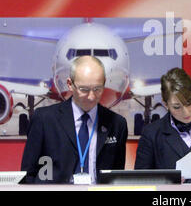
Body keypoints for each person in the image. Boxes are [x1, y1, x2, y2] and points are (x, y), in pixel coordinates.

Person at [21, 56, 128, 184]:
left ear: (104, 83)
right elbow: (28, 175)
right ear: (70, 84)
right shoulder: (44, 120)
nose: (91, 96)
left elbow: (116, 178)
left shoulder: (117, 124)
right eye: (84, 89)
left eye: (97, 89)